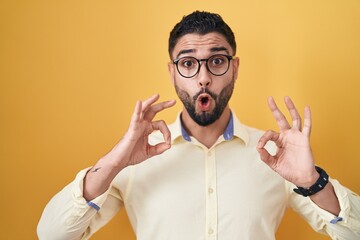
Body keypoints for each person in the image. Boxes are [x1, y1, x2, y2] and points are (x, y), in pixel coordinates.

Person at [37, 11, 360, 239]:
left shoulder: (277, 157)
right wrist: (111, 164)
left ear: (234, 68)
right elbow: (52, 235)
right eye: (188, 63)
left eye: (217, 61)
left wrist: (314, 182)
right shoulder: (133, 161)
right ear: (172, 72)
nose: (203, 78)